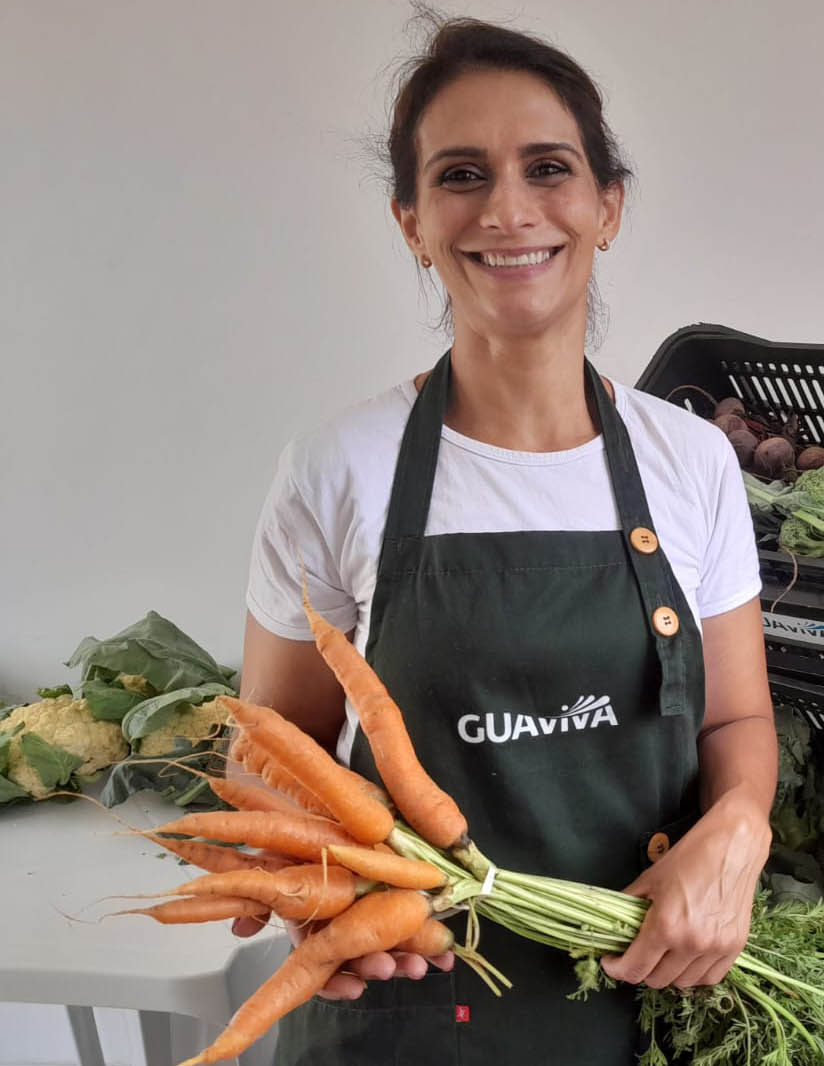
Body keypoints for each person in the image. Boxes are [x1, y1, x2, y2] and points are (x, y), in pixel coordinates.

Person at [235, 15, 778, 1065]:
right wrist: (315, 895)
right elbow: (274, 747)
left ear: (607, 205)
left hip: (651, 1000)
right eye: (461, 176)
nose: (509, 211)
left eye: (547, 168)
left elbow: (738, 717)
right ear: (410, 220)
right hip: (410, 1003)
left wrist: (740, 828)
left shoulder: (688, 463)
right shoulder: (339, 467)